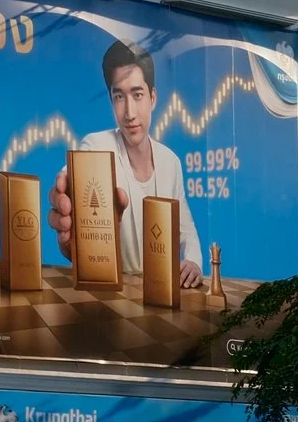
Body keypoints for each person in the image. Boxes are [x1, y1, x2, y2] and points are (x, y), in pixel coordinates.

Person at [51, 42, 202, 291]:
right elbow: (76, 169)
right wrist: (67, 187)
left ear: (152, 98)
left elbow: (186, 230)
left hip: (158, 291)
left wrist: (193, 262)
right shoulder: (97, 146)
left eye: (137, 94)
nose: (129, 112)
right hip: (114, 292)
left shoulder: (170, 162)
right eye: (119, 96)